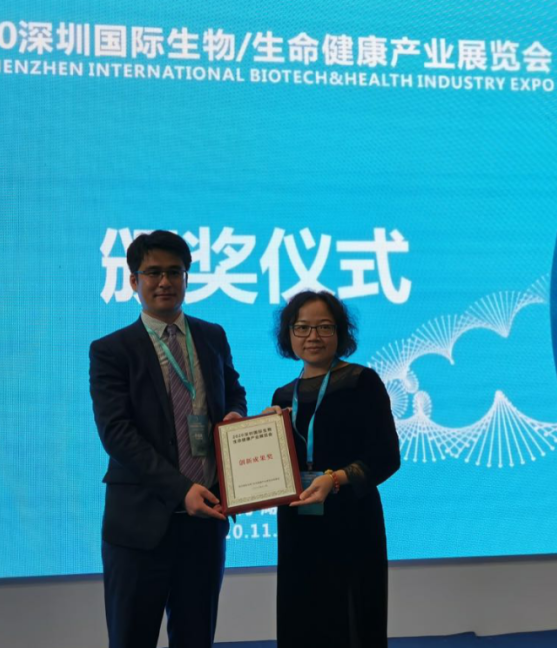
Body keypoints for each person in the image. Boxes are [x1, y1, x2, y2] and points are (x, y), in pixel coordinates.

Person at [89, 230, 247, 648]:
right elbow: (116, 434)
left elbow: (233, 390)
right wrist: (181, 490)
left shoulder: (212, 335)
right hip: (139, 527)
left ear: (186, 278)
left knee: (196, 637)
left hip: (205, 522)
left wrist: (235, 416)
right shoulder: (111, 350)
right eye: (153, 273)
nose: (165, 282)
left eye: (174, 272)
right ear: (133, 281)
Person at [263, 291, 401, 648]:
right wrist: (265, 432)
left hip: (352, 521)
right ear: (289, 334)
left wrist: (334, 479)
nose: (313, 336)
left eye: (324, 327)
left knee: (353, 619)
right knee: (301, 616)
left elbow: (386, 456)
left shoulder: (362, 382)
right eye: (302, 327)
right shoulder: (282, 396)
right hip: (298, 522)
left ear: (340, 332)